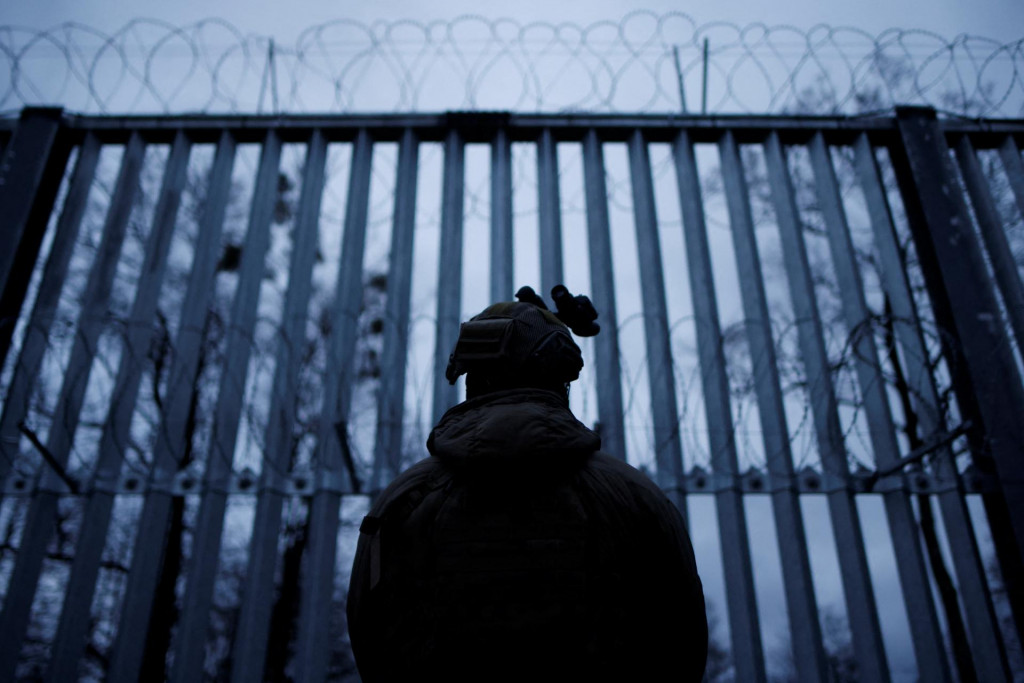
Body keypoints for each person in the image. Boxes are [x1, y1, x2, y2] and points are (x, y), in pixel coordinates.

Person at [347, 286, 707, 682]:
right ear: (561, 375)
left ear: (468, 374)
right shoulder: (634, 497)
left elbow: (372, 637)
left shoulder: (403, 501)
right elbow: (681, 641)